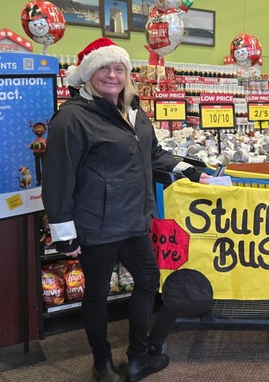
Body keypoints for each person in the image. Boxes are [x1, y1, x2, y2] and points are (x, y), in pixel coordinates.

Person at [42, 38, 207, 382]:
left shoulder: (133, 110)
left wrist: (187, 168)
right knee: (97, 294)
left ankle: (137, 357)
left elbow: (152, 153)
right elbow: (58, 178)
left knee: (148, 281)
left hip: (135, 220)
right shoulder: (72, 119)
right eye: (103, 67)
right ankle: (101, 363)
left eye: (119, 68)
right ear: (88, 74)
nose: (112, 75)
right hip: (96, 225)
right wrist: (64, 232)